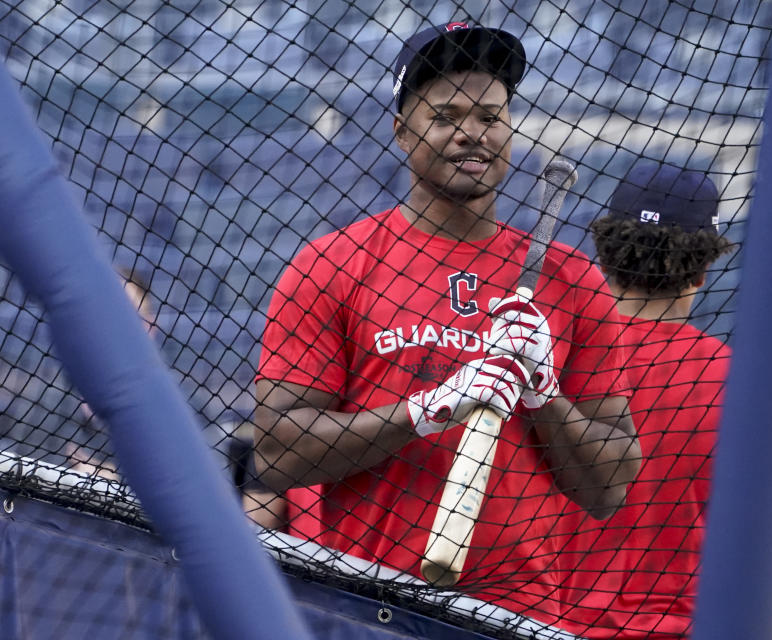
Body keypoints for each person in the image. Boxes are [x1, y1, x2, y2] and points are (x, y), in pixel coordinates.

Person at [251, 21, 641, 625]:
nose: (472, 135)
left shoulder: (572, 281)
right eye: (446, 116)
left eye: (490, 116)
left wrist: (543, 397)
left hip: (517, 615)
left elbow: (609, 488)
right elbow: (279, 455)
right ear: (402, 133)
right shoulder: (332, 263)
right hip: (363, 600)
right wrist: (426, 411)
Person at [557, 163, 734, 639]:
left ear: (605, 252)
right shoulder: (743, 384)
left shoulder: (550, 360)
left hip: (539, 625)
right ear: (701, 268)